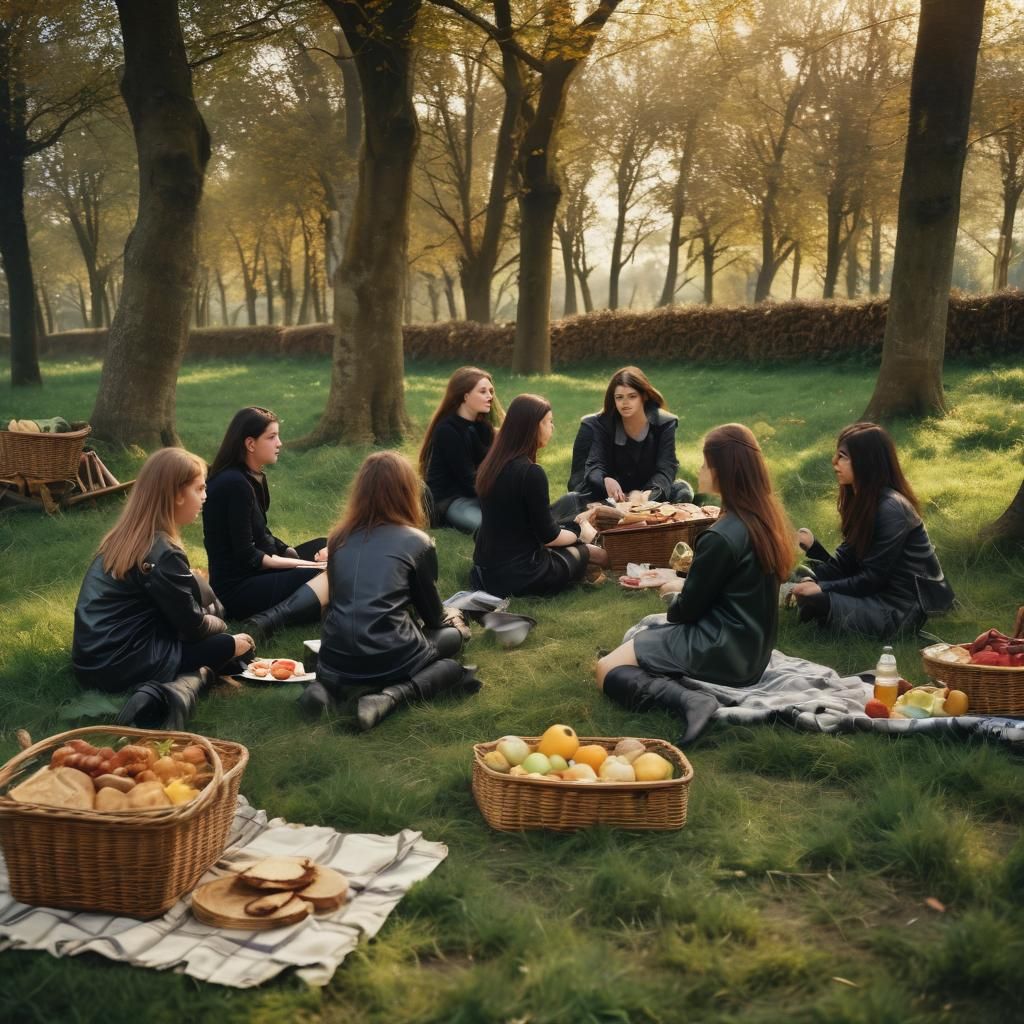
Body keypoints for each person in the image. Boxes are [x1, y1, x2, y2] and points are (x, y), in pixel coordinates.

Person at [596, 424, 794, 743]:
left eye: (704, 464)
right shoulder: (762, 520)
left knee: (606, 669)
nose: (700, 470)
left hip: (721, 649)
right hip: (751, 651)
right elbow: (730, 586)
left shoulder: (721, 536)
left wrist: (669, 591)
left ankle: (692, 700)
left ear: (721, 471)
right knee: (635, 645)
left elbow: (684, 613)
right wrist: (673, 577)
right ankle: (665, 675)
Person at [72, 447, 254, 729]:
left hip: (91, 663)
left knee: (214, 630)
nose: (205, 496)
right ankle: (161, 693)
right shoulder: (163, 551)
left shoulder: (125, 537)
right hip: (125, 663)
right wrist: (224, 628)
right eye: (199, 488)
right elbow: (193, 627)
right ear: (176, 494)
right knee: (236, 646)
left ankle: (170, 687)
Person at [303, 451, 480, 727]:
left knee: (358, 651)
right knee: (452, 643)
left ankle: (324, 689)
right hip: (390, 656)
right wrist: (457, 617)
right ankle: (391, 696)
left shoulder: (338, 538)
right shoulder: (417, 542)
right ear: (406, 491)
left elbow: (336, 602)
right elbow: (433, 617)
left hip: (335, 658)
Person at [792, 422, 955, 638]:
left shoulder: (891, 509)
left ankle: (812, 609)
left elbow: (871, 579)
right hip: (873, 594)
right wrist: (813, 551)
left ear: (865, 462)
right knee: (798, 575)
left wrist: (821, 588)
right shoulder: (865, 501)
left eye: (843, 456)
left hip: (899, 610)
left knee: (814, 598)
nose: (834, 462)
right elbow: (845, 565)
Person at [203, 407, 328, 640]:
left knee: (329, 545)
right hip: (239, 590)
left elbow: (261, 532)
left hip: (258, 574)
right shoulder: (234, 484)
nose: (279, 443)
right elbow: (248, 555)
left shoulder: (251, 477)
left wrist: (287, 551)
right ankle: (271, 619)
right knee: (333, 572)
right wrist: (305, 566)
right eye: (271, 437)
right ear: (250, 444)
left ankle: (325, 603)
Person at [471, 394, 609, 598]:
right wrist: (578, 531)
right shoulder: (530, 472)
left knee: (572, 534)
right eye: (549, 422)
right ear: (535, 426)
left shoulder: (491, 464)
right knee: (596, 553)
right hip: (520, 575)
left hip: (483, 573)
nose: (552, 428)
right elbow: (550, 537)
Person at [577, 366, 694, 504]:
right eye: (619, 397)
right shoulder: (601, 424)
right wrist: (605, 480)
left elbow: (667, 466)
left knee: (683, 491)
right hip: (609, 496)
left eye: (632, 396)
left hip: (648, 495)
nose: (625, 403)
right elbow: (595, 464)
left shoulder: (665, 423)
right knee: (576, 500)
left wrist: (650, 492)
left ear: (643, 396)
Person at [419, 366, 503, 533]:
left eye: (491, 391)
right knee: (493, 529)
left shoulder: (483, 428)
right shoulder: (447, 430)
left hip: (476, 496)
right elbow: (469, 481)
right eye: (483, 391)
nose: (490, 397)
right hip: (450, 502)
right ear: (465, 396)